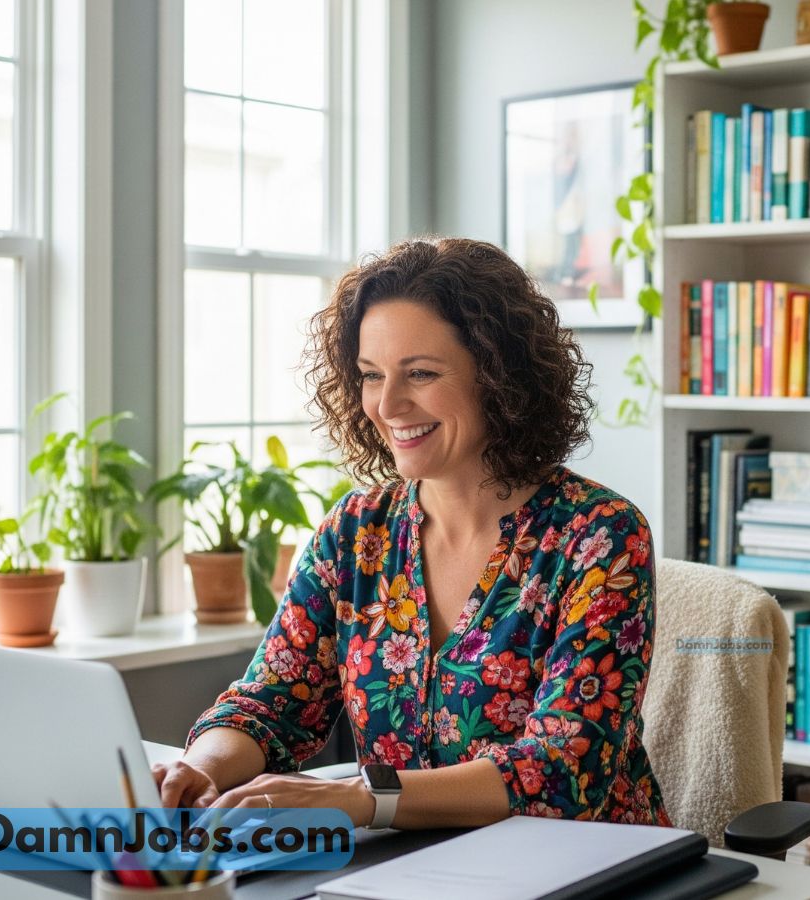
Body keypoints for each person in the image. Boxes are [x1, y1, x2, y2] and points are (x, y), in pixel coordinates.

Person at [155, 237, 671, 830]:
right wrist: (200, 768)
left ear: (500, 377)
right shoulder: (353, 534)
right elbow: (273, 702)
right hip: (408, 868)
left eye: (420, 373)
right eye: (371, 376)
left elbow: (563, 769)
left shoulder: (600, 537)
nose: (388, 404)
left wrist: (363, 798)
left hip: (589, 868)